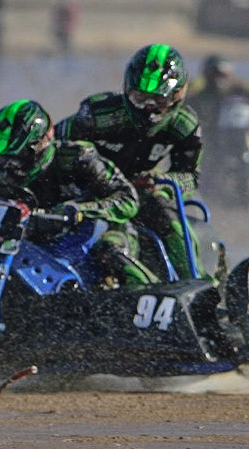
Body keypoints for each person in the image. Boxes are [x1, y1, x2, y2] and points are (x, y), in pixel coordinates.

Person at [55, 44, 209, 280]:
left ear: (176, 97)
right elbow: (52, 147)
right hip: (87, 192)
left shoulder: (184, 125)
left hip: (140, 195)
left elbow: (190, 176)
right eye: (140, 98)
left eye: (158, 100)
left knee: (164, 211)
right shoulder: (97, 113)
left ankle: (198, 283)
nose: (148, 109)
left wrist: (162, 183)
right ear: (127, 90)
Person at [0, 99, 154, 287]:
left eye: (18, 157)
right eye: (3, 158)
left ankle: (153, 293)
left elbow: (128, 198)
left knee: (109, 250)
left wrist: (80, 210)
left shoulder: (78, 157)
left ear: (41, 144)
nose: (9, 166)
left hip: (102, 233)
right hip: (47, 252)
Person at [188, 54, 249, 157]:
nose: (218, 80)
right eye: (213, 74)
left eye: (222, 75)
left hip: (248, 132)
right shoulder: (199, 95)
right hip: (214, 137)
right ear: (206, 75)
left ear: (230, 74)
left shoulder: (245, 89)